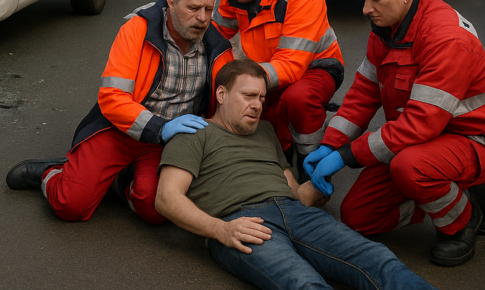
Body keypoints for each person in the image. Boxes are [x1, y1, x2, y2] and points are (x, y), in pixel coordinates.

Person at [304, 0, 485, 267]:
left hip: (477, 140)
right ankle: (451, 189)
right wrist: (330, 144)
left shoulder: (446, 38)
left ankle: (462, 221)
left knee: (409, 167)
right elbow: (363, 94)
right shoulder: (387, 29)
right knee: (358, 217)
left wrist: (345, 156)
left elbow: (420, 124)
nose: (366, 9)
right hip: (421, 142)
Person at [156, 58, 436, 290]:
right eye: (248, 96)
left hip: (295, 212)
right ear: (221, 94)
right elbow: (166, 198)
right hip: (241, 221)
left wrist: (318, 185)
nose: (257, 105)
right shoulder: (193, 133)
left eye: (261, 97)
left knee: (378, 259)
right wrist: (220, 229)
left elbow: (295, 192)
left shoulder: (265, 130)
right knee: (303, 283)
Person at [6, 0, 233, 222]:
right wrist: (159, 127)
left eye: (208, 9)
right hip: (120, 129)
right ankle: (52, 172)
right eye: (193, 8)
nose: (202, 18)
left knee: (157, 209)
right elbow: (112, 97)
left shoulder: (218, 47)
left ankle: (117, 179)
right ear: (171, 2)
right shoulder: (138, 29)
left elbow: (224, 107)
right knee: (70, 205)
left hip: (167, 142)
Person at [212, 0, 344, 179]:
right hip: (266, 68)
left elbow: (291, 66)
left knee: (297, 99)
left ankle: (310, 161)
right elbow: (215, 34)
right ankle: (277, 153)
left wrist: (242, 82)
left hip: (315, 68)